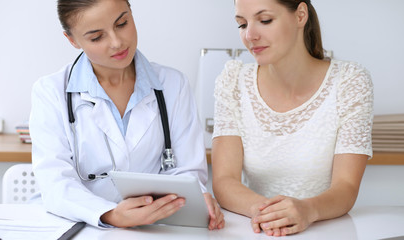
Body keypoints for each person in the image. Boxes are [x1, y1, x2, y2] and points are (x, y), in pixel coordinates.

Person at [29, 0, 224, 230]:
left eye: (122, 23)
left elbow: (187, 172)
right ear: (72, 40)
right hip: (77, 227)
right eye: (96, 37)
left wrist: (198, 199)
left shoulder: (173, 85)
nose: (117, 42)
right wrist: (110, 214)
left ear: (131, 13)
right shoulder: (51, 92)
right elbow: (54, 182)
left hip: (152, 229)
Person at [211, 0, 373, 237]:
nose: (250, 35)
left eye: (265, 20)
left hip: (327, 232)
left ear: (300, 16)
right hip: (261, 231)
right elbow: (225, 181)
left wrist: (307, 210)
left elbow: (346, 187)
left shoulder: (350, 81)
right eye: (242, 24)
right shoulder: (233, 80)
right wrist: (269, 214)